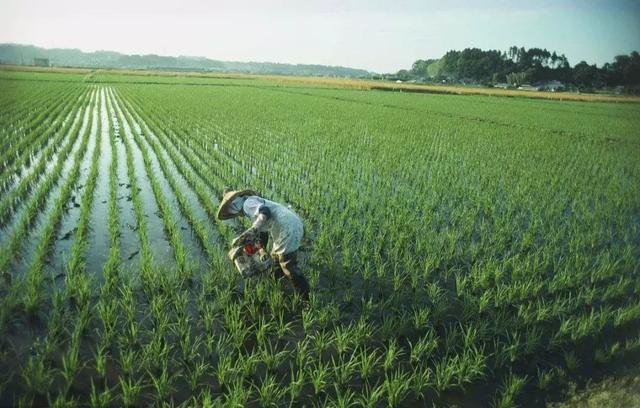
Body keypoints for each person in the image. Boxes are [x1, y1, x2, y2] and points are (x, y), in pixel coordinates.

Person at [217, 188, 310, 301]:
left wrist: (254, 228)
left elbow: (265, 211)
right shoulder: (251, 206)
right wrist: (260, 249)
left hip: (287, 228)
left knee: (287, 264)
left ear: (234, 205)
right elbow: (263, 233)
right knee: (275, 259)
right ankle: (279, 284)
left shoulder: (247, 203)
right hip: (288, 225)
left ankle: (305, 299)